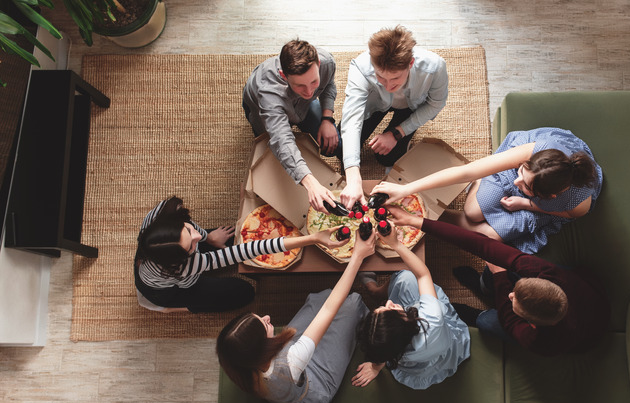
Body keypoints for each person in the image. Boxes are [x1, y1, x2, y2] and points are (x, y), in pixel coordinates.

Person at [388, 205, 610, 356]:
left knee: (489, 322)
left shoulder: (537, 339)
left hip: (582, 336)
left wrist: (502, 278)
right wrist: (415, 221)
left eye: (514, 298)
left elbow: (508, 319)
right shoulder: (546, 272)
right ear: (543, 281)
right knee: (496, 265)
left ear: (531, 323)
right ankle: (485, 286)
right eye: (516, 291)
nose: (511, 294)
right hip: (585, 291)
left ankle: (479, 312)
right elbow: (481, 244)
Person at [372, 127, 603, 254]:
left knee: (489, 236)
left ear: (550, 197)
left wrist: (527, 204)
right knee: (472, 213)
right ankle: (495, 181)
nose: (516, 185)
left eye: (524, 186)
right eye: (521, 172)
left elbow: (567, 214)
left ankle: (424, 218)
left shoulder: (577, 202)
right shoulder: (534, 153)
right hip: (537, 181)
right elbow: (466, 172)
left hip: (538, 207)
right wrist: (406, 189)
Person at [216, 231, 374, 403]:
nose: (267, 317)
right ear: (263, 348)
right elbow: (329, 310)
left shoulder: (235, 359)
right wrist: (358, 256)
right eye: (264, 324)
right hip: (314, 385)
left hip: (284, 381)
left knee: (318, 301)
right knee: (352, 304)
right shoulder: (291, 361)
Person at [135, 197, 344, 313]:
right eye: (191, 246)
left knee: (225, 237)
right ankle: (174, 307)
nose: (197, 234)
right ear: (183, 257)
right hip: (169, 288)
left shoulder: (163, 212)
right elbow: (251, 250)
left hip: (172, 258)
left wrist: (207, 237)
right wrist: (314, 238)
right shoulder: (183, 266)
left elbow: (194, 233)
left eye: (188, 229)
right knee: (244, 292)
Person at [339, 25, 449, 209]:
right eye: (380, 78)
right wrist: (353, 178)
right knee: (341, 149)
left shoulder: (435, 67)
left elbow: (435, 104)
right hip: (374, 105)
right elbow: (352, 120)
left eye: (396, 78)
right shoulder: (360, 67)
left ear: (410, 64)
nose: (388, 85)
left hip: (410, 107)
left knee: (386, 158)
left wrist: (396, 133)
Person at [351, 223, 470, 390]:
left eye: (384, 306)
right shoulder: (432, 318)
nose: (389, 302)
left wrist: (375, 367)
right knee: (406, 276)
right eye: (390, 308)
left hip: (419, 357)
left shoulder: (389, 346)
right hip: (443, 350)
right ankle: (376, 291)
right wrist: (395, 244)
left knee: (404, 280)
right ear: (404, 323)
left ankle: (375, 291)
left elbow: (382, 347)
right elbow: (422, 274)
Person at [243, 39, 343, 213]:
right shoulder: (268, 93)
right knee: (273, 158)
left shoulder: (327, 63)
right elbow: (282, 140)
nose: (310, 92)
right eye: (300, 86)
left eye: (314, 82)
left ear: (318, 65)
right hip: (263, 112)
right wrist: (311, 184)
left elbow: (328, 86)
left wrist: (328, 119)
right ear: (283, 76)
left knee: (337, 144)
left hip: (304, 107)